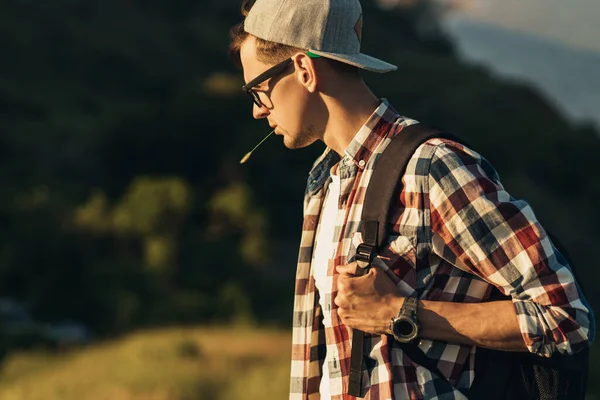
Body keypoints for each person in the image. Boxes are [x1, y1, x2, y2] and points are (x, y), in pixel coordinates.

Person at [228, 0, 595, 398]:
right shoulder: (323, 182)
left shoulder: (432, 167)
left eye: (258, 90)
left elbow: (566, 318)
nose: (257, 111)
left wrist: (400, 314)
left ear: (304, 69)